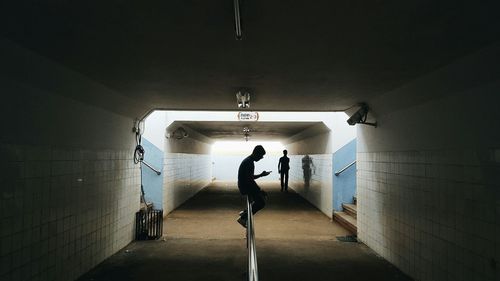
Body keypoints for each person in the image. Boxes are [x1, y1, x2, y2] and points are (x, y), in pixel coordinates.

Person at [236, 145, 271, 228]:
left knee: (259, 197)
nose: (261, 158)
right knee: (261, 202)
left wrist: (261, 175)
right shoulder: (249, 163)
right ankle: (243, 218)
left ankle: (245, 212)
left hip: (244, 185)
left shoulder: (248, 161)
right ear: (256, 153)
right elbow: (250, 180)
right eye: (261, 156)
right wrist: (259, 190)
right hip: (245, 187)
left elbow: (250, 177)